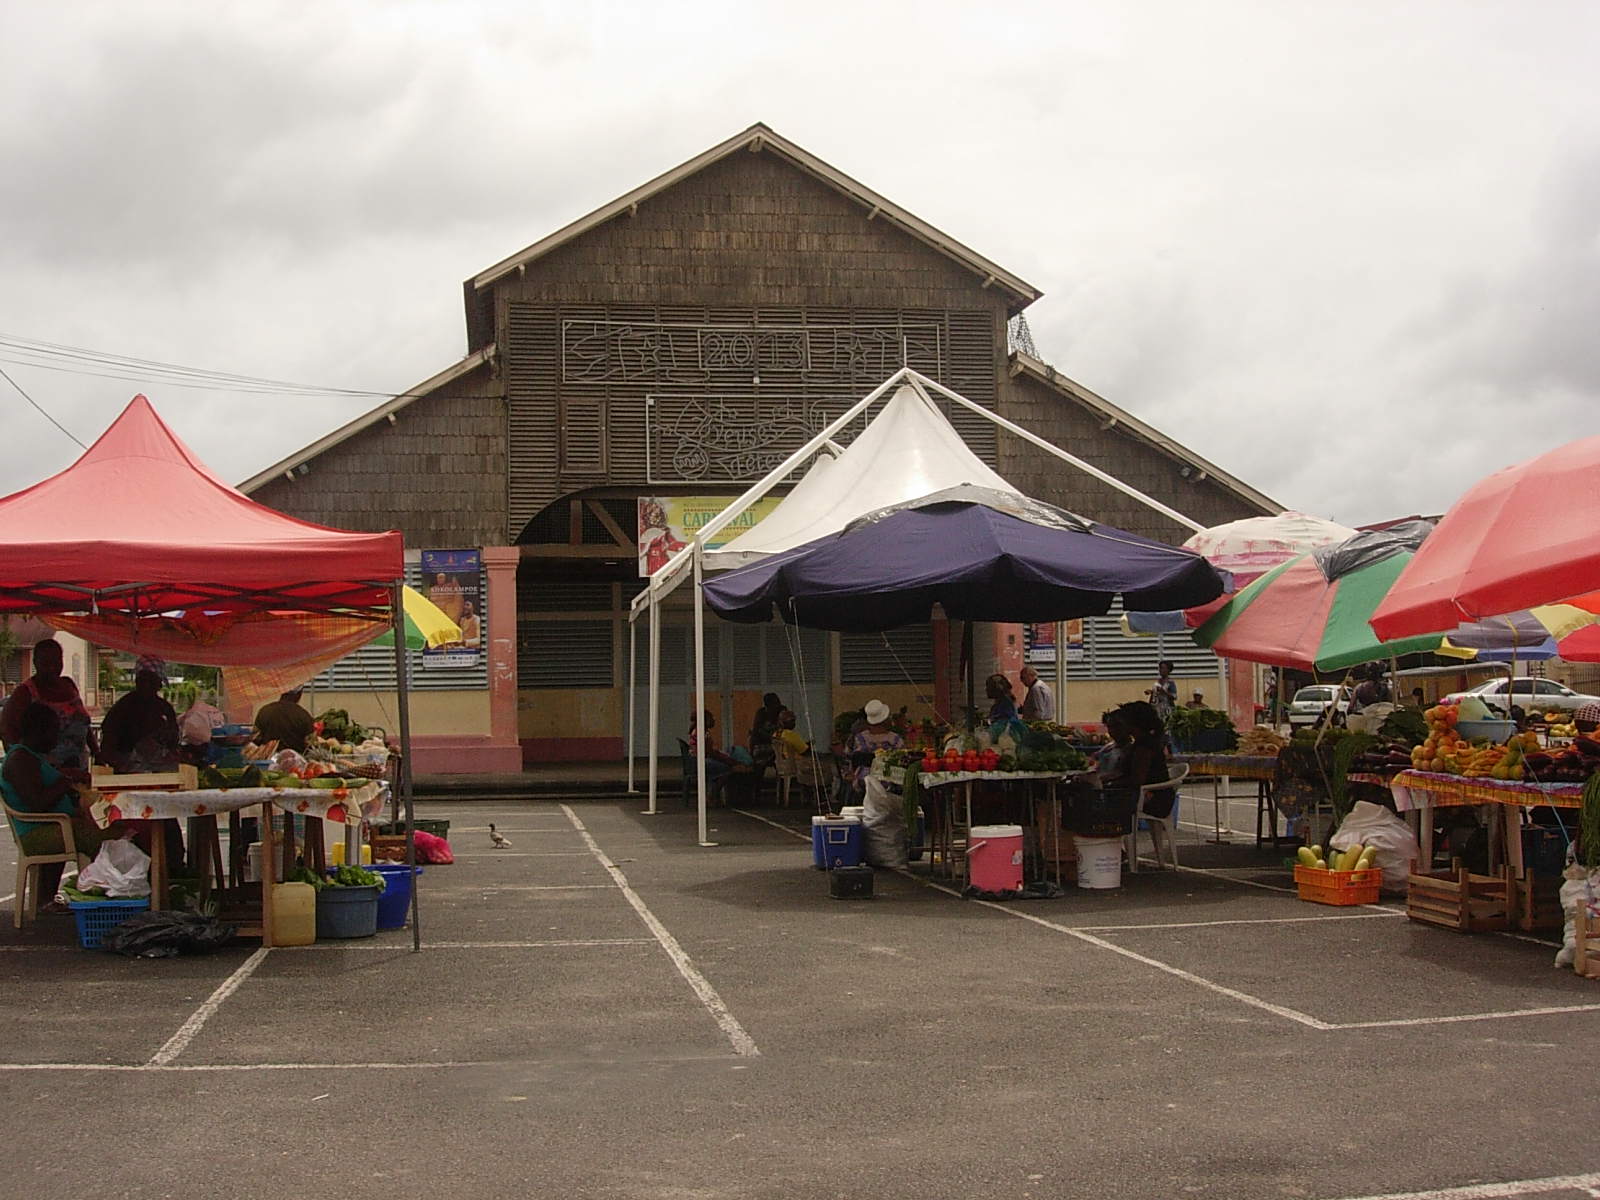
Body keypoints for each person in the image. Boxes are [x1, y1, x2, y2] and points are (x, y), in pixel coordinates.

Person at [1, 704, 126, 909]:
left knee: (110, 828)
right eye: (53, 731)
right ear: (39, 731)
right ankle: (114, 896)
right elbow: (37, 803)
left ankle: (54, 898)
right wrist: (63, 783)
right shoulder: (20, 760)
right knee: (110, 837)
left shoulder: (32, 757)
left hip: (56, 825)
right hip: (36, 832)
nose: (57, 738)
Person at [0, 638, 97, 777]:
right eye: (45, 663)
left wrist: (96, 751)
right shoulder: (25, 693)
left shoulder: (69, 684)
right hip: (45, 774)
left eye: (56, 662)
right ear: (35, 663)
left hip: (78, 768)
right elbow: (8, 734)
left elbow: (82, 723)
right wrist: (26, 771)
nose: (52, 668)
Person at [98, 663, 180, 774]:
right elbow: (107, 746)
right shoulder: (122, 708)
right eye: (143, 681)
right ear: (137, 682)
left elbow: (173, 742)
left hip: (160, 774)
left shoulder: (165, 709)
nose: (147, 685)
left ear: (159, 684)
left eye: (151, 681)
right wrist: (122, 763)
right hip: (127, 774)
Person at [1100, 700, 1176, 817]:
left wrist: (1108, 785)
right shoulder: (1142, 742)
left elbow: (1137, 780)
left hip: (1153, 799)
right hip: (1149, 794)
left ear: (1132, 723)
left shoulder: (1144, 747)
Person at [846, 699, 902, 796]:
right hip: (890, 780)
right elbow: (901, 759)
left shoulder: (860, 738)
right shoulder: (895, 739)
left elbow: (853, 757)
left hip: (864, 781)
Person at [254, 685, 315, 753]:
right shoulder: (303, 715)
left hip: (267, 760)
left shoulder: (265, 711)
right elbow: (311, 744)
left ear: (282, 693)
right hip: (295, 760)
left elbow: (255, 738)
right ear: (299, 694)